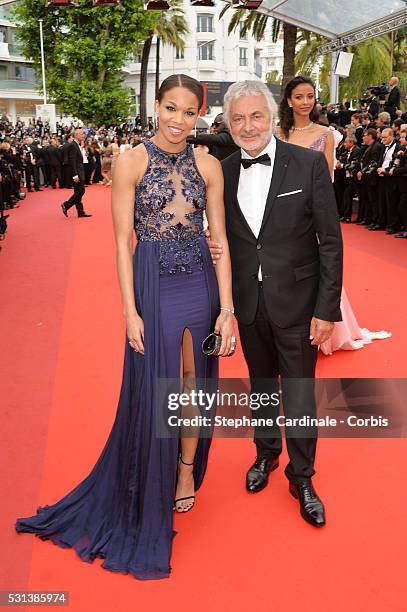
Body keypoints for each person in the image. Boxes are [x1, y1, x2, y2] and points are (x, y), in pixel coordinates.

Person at [15, 74, 234, 580]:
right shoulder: (130, 160)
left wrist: (227, 308)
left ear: (199, 113)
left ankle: (184, 470)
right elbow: (120, 243)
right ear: (156, 106)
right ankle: (150, 478)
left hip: (199, 276)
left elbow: (219, 237)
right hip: (154, 279)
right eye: (171, 109)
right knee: (158, 386)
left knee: (192, 384)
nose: (180, 120)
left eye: (189, 111)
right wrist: (129, 310)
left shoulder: (208, 165)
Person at [208, 79, 343, 527]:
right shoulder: (221, 172)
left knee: (300, 392)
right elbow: (221, 238)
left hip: (301, 303)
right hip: (248, 301)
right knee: (261, 385)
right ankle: (265, 452)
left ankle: (302, 475)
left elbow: (330, 241)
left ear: (272, 116)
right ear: (228, 123)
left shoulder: (306, 165)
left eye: (256, 116)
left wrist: (327, 310)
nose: (247, 126)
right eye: (238, 118)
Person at [278, 76, 391, 355]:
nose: (306, 102)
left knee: (317, 266)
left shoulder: (325, 134)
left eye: (310, 96)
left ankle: (323, 329)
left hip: (311, 210)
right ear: (289, 100)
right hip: (281, 211)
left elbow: (326, 177)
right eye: (299, 97)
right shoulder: (279, 133)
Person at [61, 128, 92, 218]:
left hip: (79, 171)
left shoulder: (77, 145)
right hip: (77, 172)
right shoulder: (73, 145)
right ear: (76, 135)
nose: (83, 135)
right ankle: (66, 205)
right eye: (82, 134)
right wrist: (75, 174)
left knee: (78, 191)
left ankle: (80, 211)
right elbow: (72, 161)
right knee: (81, 191)